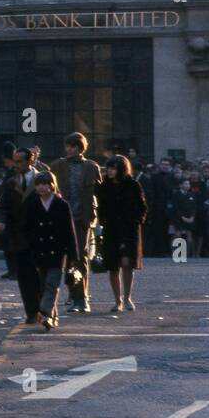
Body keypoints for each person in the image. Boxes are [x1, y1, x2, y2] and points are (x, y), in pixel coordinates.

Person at [50, 133, 102, 313]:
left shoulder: (91, 167)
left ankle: (81, 298)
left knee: (80, 257)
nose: (69, 149)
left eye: (73, 146)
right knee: (66, 258)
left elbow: (100, 193)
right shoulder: (57, 166)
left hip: (82, 219)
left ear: (80, 148)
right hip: (62, 218)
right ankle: (74, 292)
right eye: (68, 146)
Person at [23, 171, 79, 331]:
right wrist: (31, 244)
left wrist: (73, 255)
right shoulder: (33, 204)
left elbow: (70, 230)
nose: (40, 187)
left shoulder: (61, 205)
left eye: (44, 184)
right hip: (39, 250)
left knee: (52, 284)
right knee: (43, 284)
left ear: (52, 185)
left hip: (57, 251)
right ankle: (51, 318)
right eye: (38, 184)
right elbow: (28, 227)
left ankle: (45, 311)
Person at [97, 154, 146, 312]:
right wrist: (103, 220)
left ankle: (127, 297)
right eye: (109, 168)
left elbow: (142, 206)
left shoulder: (133, 185)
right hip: (111, 228)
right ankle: (117, 300)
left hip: (129, 228)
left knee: (127, 263)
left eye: (113, 168)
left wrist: (137, 220)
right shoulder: (104, 185)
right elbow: (100, 205)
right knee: (113, 266)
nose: (109, 171)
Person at [0, 148, 40, 324]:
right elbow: (2, 206)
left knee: (39, 276)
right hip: (18, 237)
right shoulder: (11, 182)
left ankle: (43, 309)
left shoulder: (42, 180)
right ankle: (31, 312)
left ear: (30, 161)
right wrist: (1, 221)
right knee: (23, 277)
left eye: (19, 161)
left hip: (38, 237)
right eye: (14, 161)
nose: (15, 165)